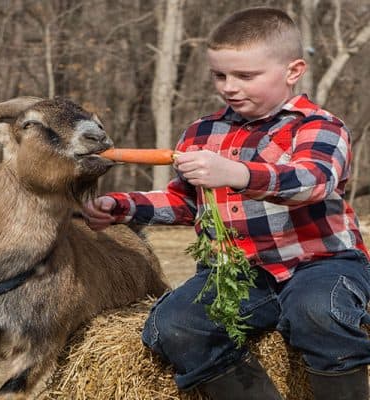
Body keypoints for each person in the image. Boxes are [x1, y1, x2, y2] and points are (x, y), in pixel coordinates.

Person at [82, 7, 370, 400]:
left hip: (318, 263)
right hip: (236, 272)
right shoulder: (202, 131)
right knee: (175, 324)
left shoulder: (317, 126)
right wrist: (121, 205)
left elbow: (313, 182)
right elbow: (184, 202)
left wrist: (237, 174)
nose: (230, 87)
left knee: (318, 310)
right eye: (220, 75)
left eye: (246, 76)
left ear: (293, 71)